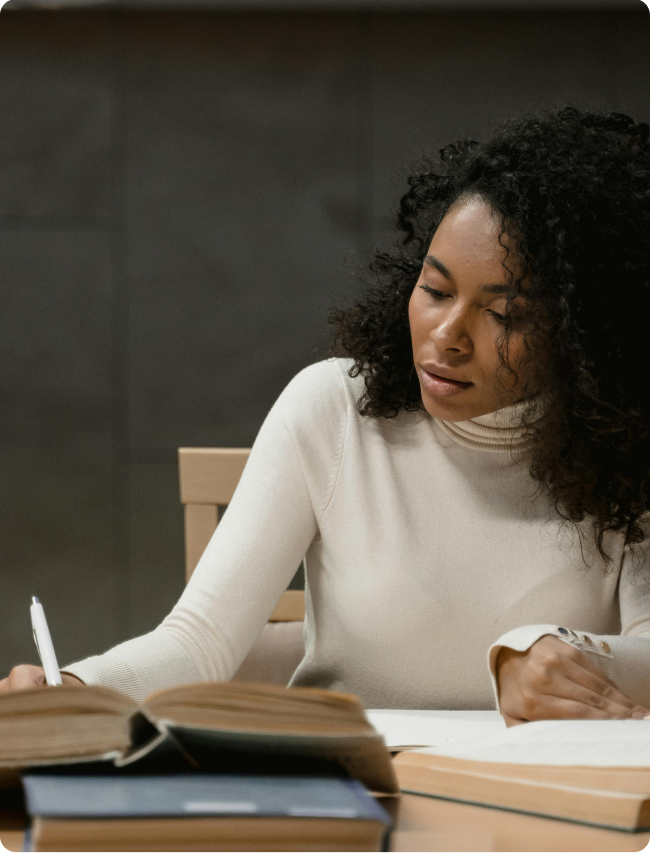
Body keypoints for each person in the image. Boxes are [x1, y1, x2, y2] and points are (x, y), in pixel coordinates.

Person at [3, 106, 650, 727]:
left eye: (503, 315)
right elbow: (198, 639)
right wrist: (73, 690)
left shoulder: (625, 448)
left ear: (582, 333)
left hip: (534, 815)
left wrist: (555, 650)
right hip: (347, 790)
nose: (447, 335)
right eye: (435, 289)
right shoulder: (335, 409)